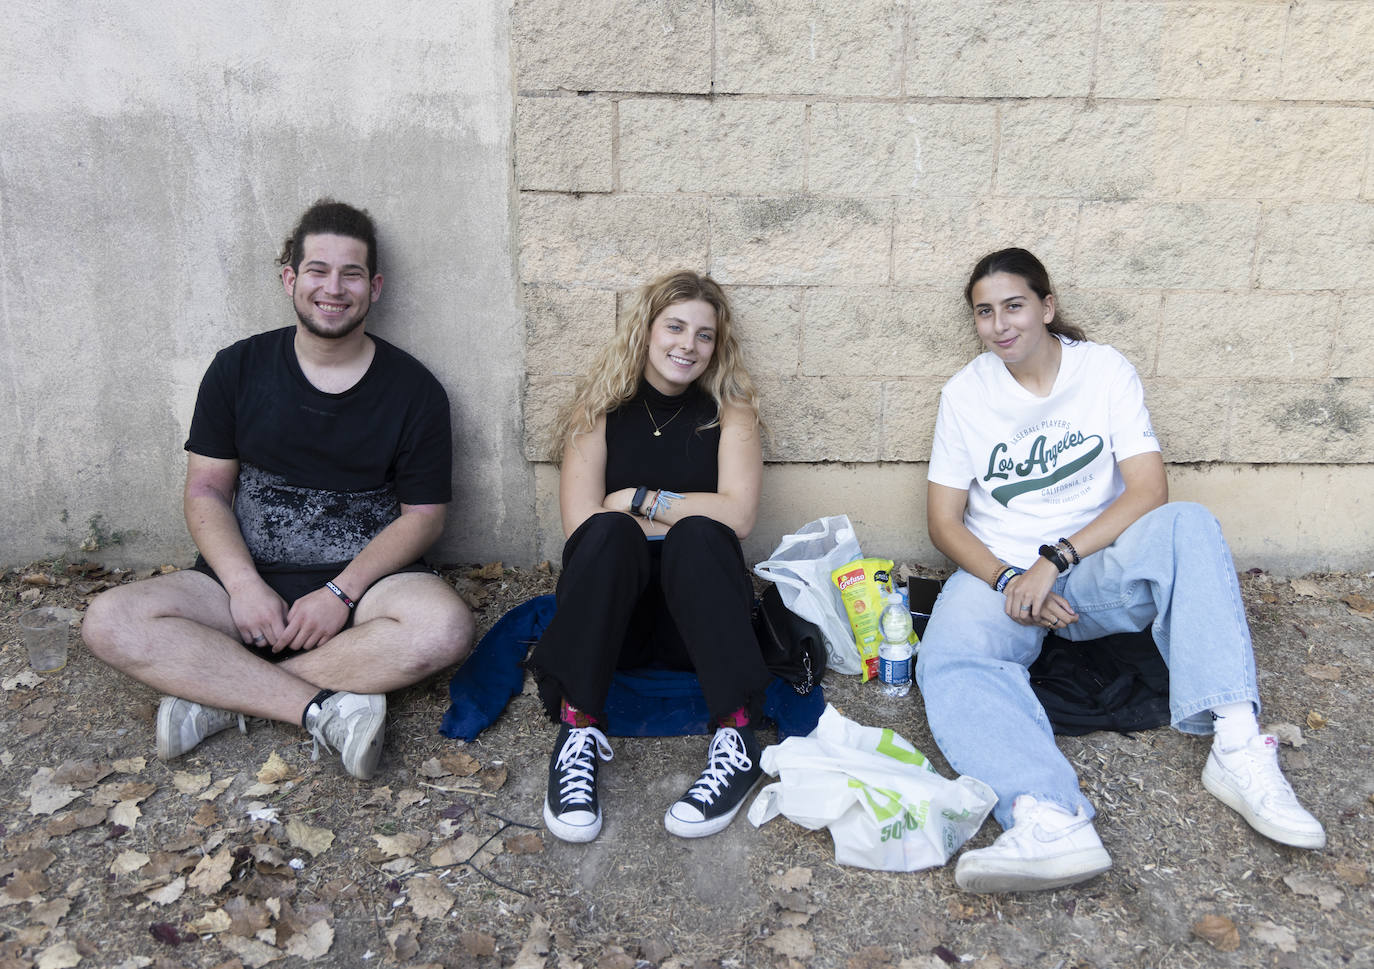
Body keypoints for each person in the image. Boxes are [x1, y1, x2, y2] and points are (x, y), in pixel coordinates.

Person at [916, 247, 1324, 893]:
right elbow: (944, 522)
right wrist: (1007, 578)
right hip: (1004, 580)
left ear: (1047, 306)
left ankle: (1238, 747)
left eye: (1014, 305)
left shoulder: (1103, 370)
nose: (1000, 324)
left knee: (1190, 524)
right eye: (984, 312)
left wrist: (1055, 561)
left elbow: (1147, 489)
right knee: (948, 657)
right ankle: (1049, 816)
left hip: (1095, 565)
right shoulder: (966, 393)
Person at [83, 199, 475, 780]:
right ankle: (326, 705)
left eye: (351, 273)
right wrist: (242, 587)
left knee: (444, 629)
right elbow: (206, 492)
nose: (333, 288)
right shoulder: (236, 369)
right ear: (290, 277)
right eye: (317, 270)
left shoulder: (415, 390)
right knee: (107, 621)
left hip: (365, 594)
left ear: (375, 286)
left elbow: (423, 517)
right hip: (237, 586)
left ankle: (219, 694)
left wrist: (340, 594)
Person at [530, 269, 772, 843]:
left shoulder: (729, 410)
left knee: (699, 536)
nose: (687, 345)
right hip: (617, 620)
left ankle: (735, 741)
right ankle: (577, 731)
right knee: (613, 534)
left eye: (704, 335)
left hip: (700, 621)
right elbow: (582, 528)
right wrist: (652, 513)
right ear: (646, 330)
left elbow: (737, 516)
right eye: (675, 327)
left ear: (718, 346)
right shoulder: (599, 410)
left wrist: (639, 499)